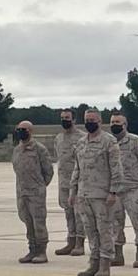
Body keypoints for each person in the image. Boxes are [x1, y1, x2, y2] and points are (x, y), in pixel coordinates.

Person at [70, 109, 124, 276]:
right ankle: (93, 262)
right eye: (87, 119)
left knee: (104, 230)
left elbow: (116, 169)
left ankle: (105, 264)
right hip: (84, 194)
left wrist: (113, 191)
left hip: (102, 195)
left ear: (100, 121)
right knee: (90, 230)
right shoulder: (80, 143)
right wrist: (73, 191)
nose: (89, 122)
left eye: (93, 119)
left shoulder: (109, 141)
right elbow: (77, 169)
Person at [109, 112, 138, 268]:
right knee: (115, 223)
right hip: (114, 190)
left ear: (125, 125)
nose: (115, 124)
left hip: (132, 188)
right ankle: (117, 254)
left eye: (118, 122)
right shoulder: (108, 142)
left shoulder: (136, 142)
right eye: (112, 122)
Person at [12, 120, 54, 264]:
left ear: (31, 131)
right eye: (19, 129)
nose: (21, 132)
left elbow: (48, 171)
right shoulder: (17, 150)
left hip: (36, 193)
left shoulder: (39, 149)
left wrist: (40, 186)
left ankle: (42, 252)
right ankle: (32, 250)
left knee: (39, 223)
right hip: (22, 192)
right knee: (27, 222)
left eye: (24, 129)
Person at [54, 108, 85, 256]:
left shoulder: (82, 138)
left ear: (74, 120)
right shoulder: (58, 138)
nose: (64, 120)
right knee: (68, 213)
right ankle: (70, 241)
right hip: (63, 182)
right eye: (62, 118)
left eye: (67, 118)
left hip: (78, 183)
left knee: (79, 214)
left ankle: (79, 243)